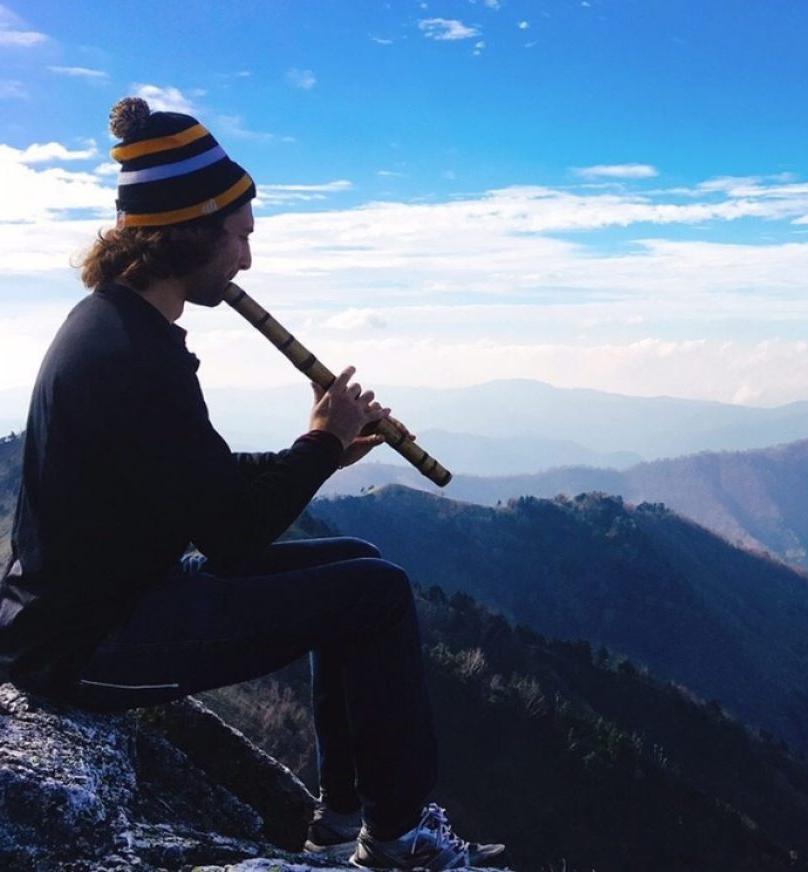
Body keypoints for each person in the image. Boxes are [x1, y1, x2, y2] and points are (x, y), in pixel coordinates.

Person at [0, 97, 505, 870]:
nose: (245, 260)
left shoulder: (113, 326)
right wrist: (315, 442)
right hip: (90, 643)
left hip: (92, 612)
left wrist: (321, 453)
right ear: (186, 233)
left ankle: (341, 825)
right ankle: (396, 841)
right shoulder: (136, 358)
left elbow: (196, 484)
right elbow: (232, 533)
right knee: (374, 594)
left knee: (362, 562)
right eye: (238, 237)